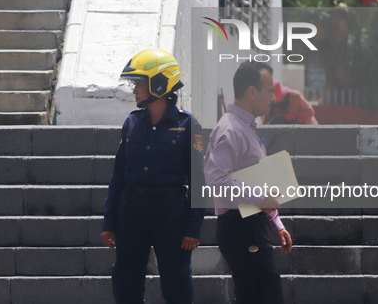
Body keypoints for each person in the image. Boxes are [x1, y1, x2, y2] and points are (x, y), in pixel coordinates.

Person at [100, 49, 205, 304]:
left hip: (170, 212)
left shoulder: (189, 125)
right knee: (126, 281)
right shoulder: (131, 123)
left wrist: (193, 227)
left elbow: (201, 181)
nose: (134, 89)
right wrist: (109, 221)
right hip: (132, 210)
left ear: (160, 83)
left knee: (176, 281)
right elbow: (118, 177)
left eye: (139, 83)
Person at [204, 62, 292, 304]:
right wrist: (261, 200)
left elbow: (257, 182)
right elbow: (217, 179)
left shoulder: (246, 127)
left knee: (261, 293)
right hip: (239, 227)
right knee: (262, 293)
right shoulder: (230, 129)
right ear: (252, 91)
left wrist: (276, 222)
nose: (273, 98)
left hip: (252, 224)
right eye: (270, 91)